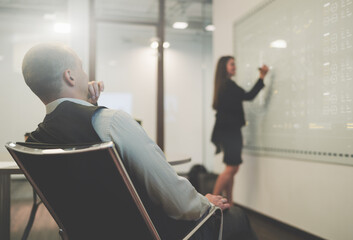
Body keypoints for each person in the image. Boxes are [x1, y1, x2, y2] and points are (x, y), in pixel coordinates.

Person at [22, 43, 257, 239]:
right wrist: (204, 203)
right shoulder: (110, 122)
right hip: (156, 233)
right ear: (70, 76)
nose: (86, 75)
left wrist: (87, 104)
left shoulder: (35, 142)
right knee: (236, 218)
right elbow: (178, 202)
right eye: (81, 68)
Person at [211, 56, 269, 205]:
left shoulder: (224, 85)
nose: (234, 67)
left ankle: (229, 201)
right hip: (230, 132)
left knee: (233, 167)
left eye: (234, 64)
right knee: (231, 168)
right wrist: (262, 76)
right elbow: (249, 96)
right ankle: (211, 203)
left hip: (228, 131)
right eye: (231, 64)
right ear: (224, 67)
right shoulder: (228, 86)